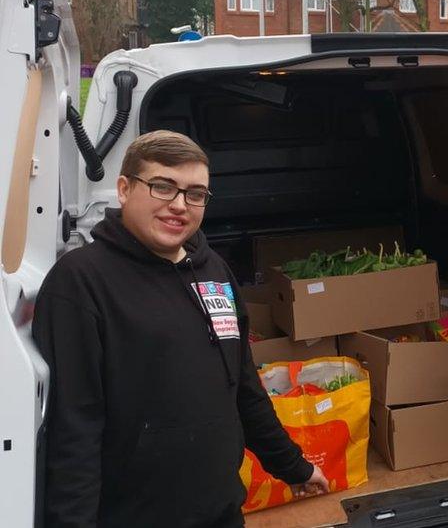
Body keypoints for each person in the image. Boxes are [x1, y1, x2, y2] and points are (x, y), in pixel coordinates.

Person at [34, 130, 327, 527]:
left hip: (221, 512)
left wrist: (294, 467)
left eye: (195, 194)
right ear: (124, 189)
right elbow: (75, 428)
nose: (179, 206)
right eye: (162, 187)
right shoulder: (80, 281)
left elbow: (243, 387)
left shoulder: (214, 272)